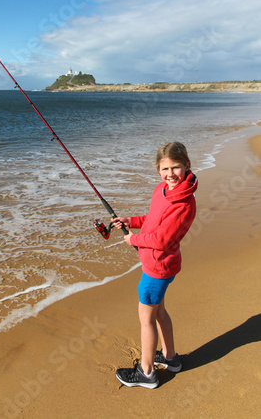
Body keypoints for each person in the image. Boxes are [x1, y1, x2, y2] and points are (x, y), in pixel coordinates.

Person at [113, 142, 198, 389]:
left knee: (146, 319)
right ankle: (170, 358)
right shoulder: (162, 189)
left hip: (158, 268)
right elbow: (152, 220)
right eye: (165, 168)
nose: (170, 174)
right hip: (160, 265)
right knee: (159, 312)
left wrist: (133, 239)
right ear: (158, 169)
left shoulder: (184, 203)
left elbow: (162, 239)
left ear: (187, 166)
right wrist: (130, 221)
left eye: (176, 168)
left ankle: (147, 372)